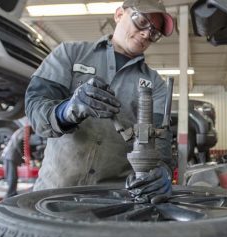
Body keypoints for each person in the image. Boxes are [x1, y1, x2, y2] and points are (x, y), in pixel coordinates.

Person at [25, 0, 175, 202]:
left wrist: (162, 172)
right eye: (142, 21)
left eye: (154, 32)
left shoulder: (155, 83)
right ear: (119, 14)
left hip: (114, 205)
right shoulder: (70, 54)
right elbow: (35, 107)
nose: (147, 34)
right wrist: (67, 111)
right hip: (54, 195)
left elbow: (160, 144)